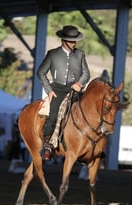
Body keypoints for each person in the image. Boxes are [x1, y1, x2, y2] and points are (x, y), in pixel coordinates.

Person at [37, 25, 90, 160]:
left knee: (88, 113)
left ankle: (89, 146)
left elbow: (86, 73)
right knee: (53, 114)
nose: (74, 43)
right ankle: (48, 146)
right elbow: (41, 73)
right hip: (58, 89)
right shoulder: (52, 54)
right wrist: (49, 90)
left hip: (75, 89)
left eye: (75, 41)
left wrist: (79, 83)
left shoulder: (80, 54)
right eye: (71, 41)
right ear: (64, 40)